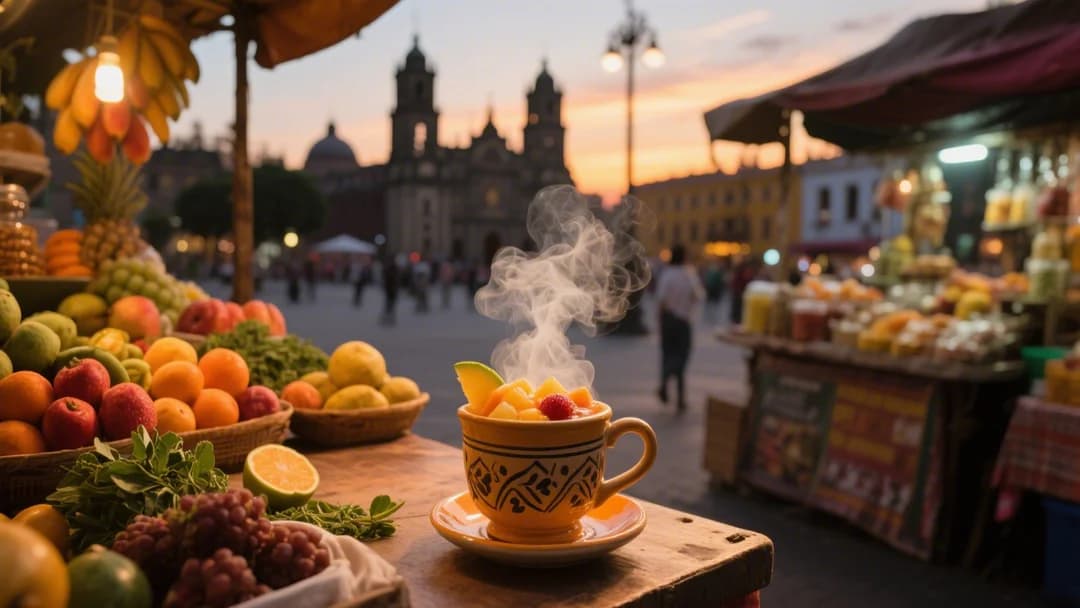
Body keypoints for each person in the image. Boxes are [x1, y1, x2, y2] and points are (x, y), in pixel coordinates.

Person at [656, 244, 704, 412]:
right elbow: (698, 296)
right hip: (684, 321)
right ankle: (681, 399)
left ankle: (664, 382)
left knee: (667, 354)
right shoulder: (689, 274)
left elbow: (661, 300)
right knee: (682, 357)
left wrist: (659, 321)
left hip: (668, 319)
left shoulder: (667, 274)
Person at [381, 255, 400, 326]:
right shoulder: (392, 269)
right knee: (390, 304)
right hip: (391, 289)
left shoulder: (389, 268)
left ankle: (388, 318)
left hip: (390, 289)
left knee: (389, 304)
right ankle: (388, 318)